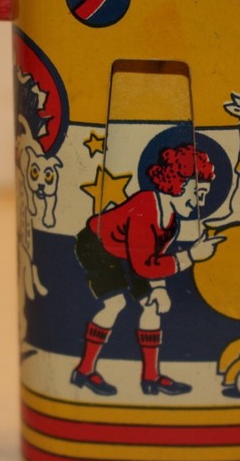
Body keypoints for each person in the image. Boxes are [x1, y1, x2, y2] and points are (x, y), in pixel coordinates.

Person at [71, 143, 224, 396]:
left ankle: (151, 377)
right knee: (115, 304)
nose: (201, 202)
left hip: (130, 255)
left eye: (204, 195)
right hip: (97, 248)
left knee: (152, 305)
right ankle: (84, 370)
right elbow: (145, 265)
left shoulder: (171, 221)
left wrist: (159, 289)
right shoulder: (145, 206)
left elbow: (154, 256)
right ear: (178, 182)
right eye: (198, 193)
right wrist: (191, 256)